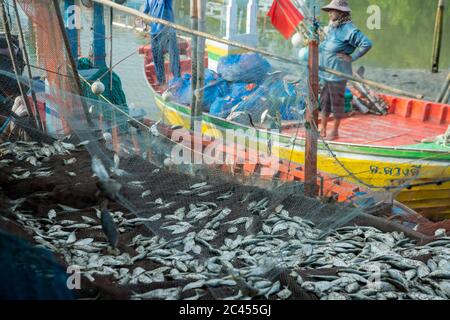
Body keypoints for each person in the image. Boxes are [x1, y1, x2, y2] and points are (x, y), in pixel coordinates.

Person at [319, 0, 372, 140]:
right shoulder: (332, 27)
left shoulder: (349, 29)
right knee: (324, 102)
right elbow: (326, 45)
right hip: (327, 73)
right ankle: (322, 128)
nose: (330, 13)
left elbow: (366, 43)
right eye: (329, 10)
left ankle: (334, 131)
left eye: (333, 10)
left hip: (338, 74)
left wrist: (352, 57)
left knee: (337, 103)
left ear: (341, 13)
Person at [143, 0, 181, 86]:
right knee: (157, 57)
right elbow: (144, 12)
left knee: (173, 56)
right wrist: (144, 22)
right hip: (154, 32)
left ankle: (177, 79)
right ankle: (161, 81)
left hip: (168, 31)